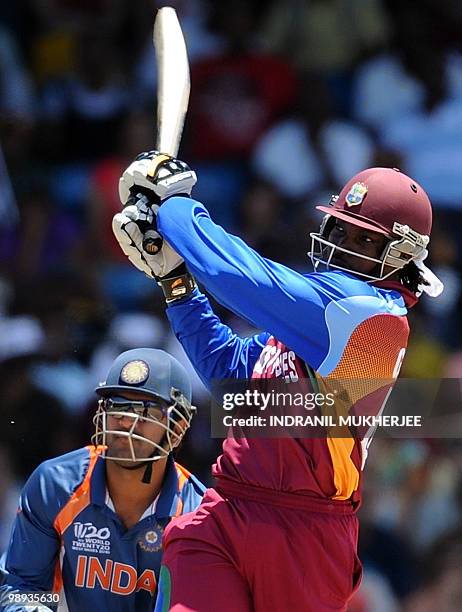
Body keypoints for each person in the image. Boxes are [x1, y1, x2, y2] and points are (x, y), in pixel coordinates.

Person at [112, 153, 443, 611]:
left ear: (398, 258)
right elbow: (229, 369)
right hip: (227, 507)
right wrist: (175, 281)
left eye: (361, 240)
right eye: (338, 229)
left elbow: (235, 275)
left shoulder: (370, 316)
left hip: (306, 531)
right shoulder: (316, 315)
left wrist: (173, 205)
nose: (340, 243)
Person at [0, 348, 204, 612]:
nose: (125, 421)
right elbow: (21, 587)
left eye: (144, 410)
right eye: (116, 405)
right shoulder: (56, 484)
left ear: (176, 428)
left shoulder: (196, 514)